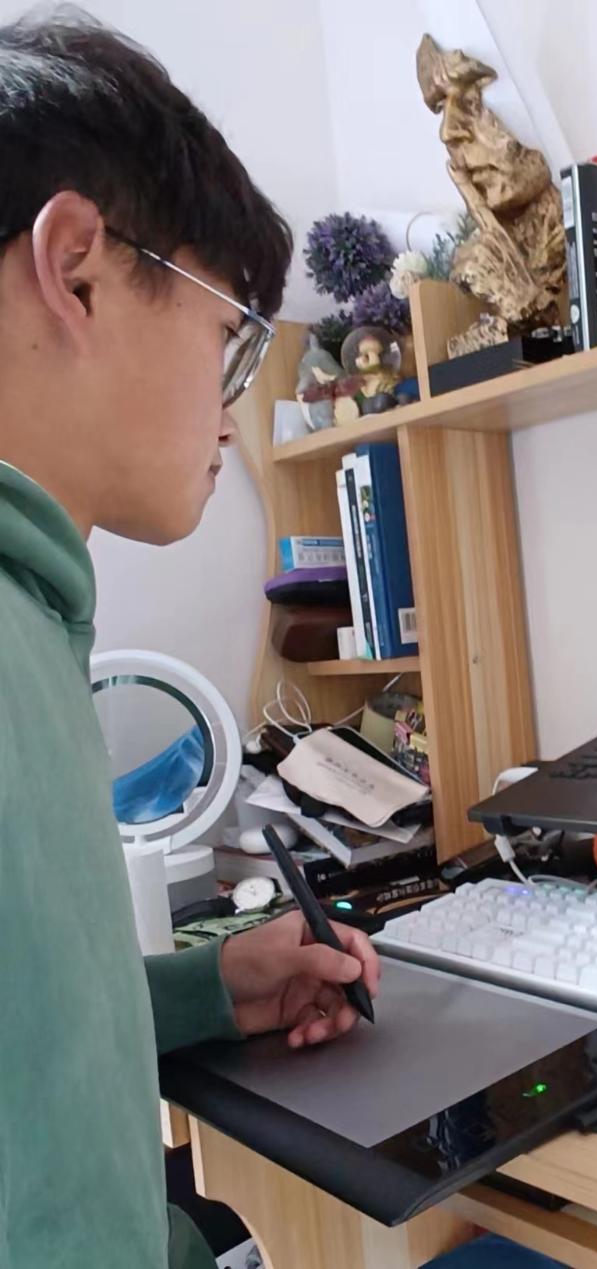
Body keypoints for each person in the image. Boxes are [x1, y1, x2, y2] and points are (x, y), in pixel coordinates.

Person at [0, 10, 380, 1267]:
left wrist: (205, 991)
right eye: (229, 338)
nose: (229, 419)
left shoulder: (36, 614)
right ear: (77, 269)